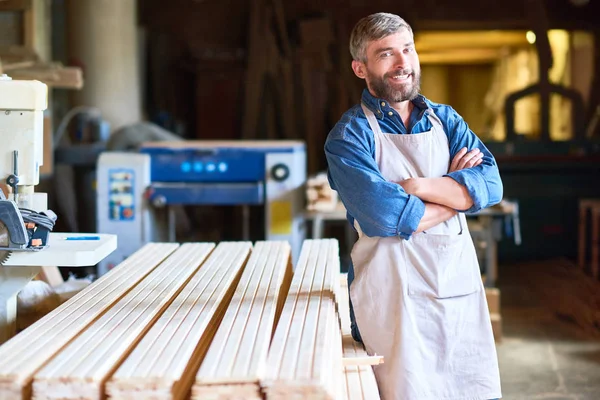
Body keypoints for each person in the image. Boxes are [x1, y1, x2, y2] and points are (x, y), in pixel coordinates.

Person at [324, 12, 503, 400]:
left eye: (408, 49)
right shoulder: (349, 137)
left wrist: (417, 186)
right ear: (361, 67)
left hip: (454, 289)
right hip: (390, 298)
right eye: (386, 54)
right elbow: (388, 217)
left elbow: (491, 184)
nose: (403, 63)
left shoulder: (446, 120)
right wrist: (455, 197)